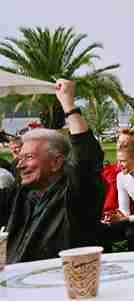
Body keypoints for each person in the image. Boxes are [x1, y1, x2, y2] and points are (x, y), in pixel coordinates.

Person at [0, 79, 104, 263]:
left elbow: (86, 157)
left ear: (56, 162)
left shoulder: (76, 196)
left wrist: (68, 105)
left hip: (58, 282)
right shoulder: (19, 197)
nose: (19, 165)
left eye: (29, 157)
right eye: (19, 158)